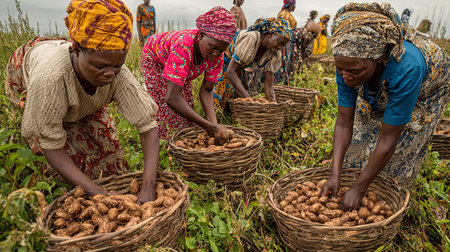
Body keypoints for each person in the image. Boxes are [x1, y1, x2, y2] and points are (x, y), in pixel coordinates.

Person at [4, 0, 161, 203]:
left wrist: (148, 186)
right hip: (32, 70)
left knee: (109, 161)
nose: (109, 74)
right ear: (76, 49)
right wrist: (92, 189)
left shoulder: (116, 71)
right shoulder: (50, 78)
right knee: (63, 171)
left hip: (72, 71)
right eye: (100, 66)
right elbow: (50, 144)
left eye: (117, 66)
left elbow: (148, 128)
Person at [320, 3, 449, 211]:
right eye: (340, 69)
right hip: (380, 76)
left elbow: (388, 138)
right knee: (359, 148)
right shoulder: (348, 61)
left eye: (354, 71)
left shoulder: (408, 67)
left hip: (428, 87)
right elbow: (344, 122)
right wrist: (335, 175)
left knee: (398, 156)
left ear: (379, 57)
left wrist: (359, 189)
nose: (345, 76)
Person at [141, 7, 236, 139]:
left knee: (187, 109)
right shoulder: (183, 46)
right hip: (155, 59)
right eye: (213, 47)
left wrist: (214, 126)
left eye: (221, 50)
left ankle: (184, 141)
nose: (216, 54)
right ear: (201, 35)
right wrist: (207, 126)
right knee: (169, 112)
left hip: (180, 64)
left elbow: (207, 90)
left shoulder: (217, 56)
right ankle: (166, 146)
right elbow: (171, 98)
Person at [213, 18, 291, 110]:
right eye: (279, 42)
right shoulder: (252, 38)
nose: (280, 47)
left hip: (238, 68)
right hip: (224, 62)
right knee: (221, 99)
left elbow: (269, 84)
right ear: (271, 34)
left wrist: (273, 107)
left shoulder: (274, 52)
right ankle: (214, 120)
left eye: (283, 45)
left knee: (238, 100)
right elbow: (230, 71)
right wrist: (250, 100)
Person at [275, 0, 297, 85]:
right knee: (282, 62)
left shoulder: (287, 13)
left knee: (286, 62)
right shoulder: (284, 14)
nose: (295, 7)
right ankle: (279, 82)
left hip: (288, 41)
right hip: (285, 41)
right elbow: (283, 29)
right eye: (294, 5)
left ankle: (283, 81)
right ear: (290, 5)